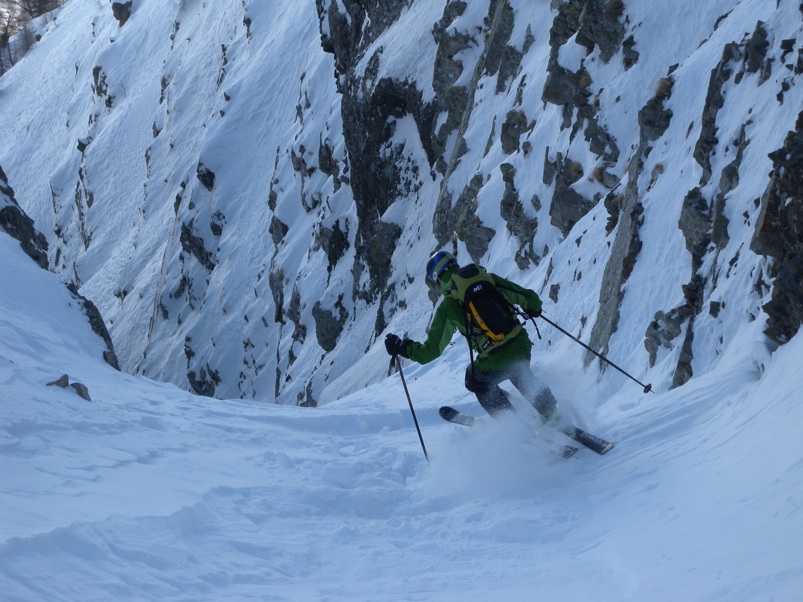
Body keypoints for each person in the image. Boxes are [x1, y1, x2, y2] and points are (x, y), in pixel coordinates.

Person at [384, 250, 559, 422]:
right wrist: (534, 309)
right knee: (518, 368)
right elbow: (530, 299)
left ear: (438, 278)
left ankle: (511, 424)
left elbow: (429, 352)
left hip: (494, 360)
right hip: (521, 345)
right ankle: (551, 412)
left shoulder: (448, 306)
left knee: (474, 379)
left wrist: (402, 347)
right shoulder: (488, 279)